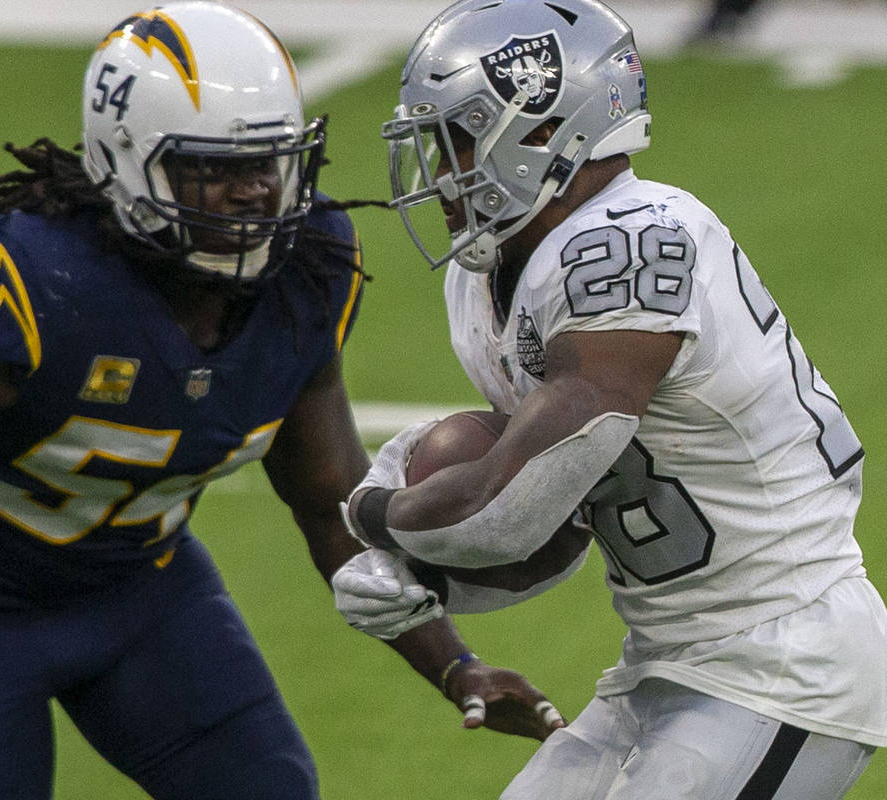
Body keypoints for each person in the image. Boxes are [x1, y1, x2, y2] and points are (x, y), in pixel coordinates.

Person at [0, 3, 566, 799]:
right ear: (122, 163)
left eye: (269, 163)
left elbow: (328, 497)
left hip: (139, 592)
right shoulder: (42, 284)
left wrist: (453, 663)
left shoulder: (307, 270)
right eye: (215, 168)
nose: (255, 194)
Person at [332, 0, 887, 797]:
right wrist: (429, 580)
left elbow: (507, 509)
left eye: (457, 138)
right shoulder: (493, 272)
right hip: (665, 660)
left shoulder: (628, 242)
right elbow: (559, 526)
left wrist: (373, 516)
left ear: (541, 134)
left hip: (783, 658)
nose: (438, 170)